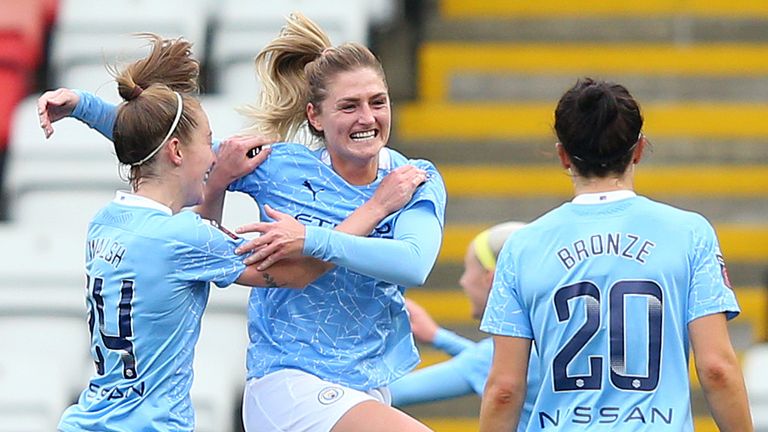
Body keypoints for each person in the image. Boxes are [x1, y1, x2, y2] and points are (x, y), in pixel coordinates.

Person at [41, 13, 446, 432]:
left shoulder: (410, 178)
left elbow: (413, 264)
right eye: (349, 105)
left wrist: (83, 108)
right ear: (315, 117)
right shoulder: (279, 168)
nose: (367, 117)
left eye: (378, 102)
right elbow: (159, 139)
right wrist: (355, 219)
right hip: (290, 382)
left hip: (366, 382)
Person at [479, 78, 753, 431]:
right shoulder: (690, 234)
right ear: (638, 149)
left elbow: (504, 388)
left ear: (563, 155)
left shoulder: (522, 247)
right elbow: (717, 369)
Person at [389, 222, 539, 432]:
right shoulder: (550, 338)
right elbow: (495, 364)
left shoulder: (487, 359)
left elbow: (393, 392)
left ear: (492, 279)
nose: (463, 281)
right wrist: (437, 337)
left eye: (468, 270)